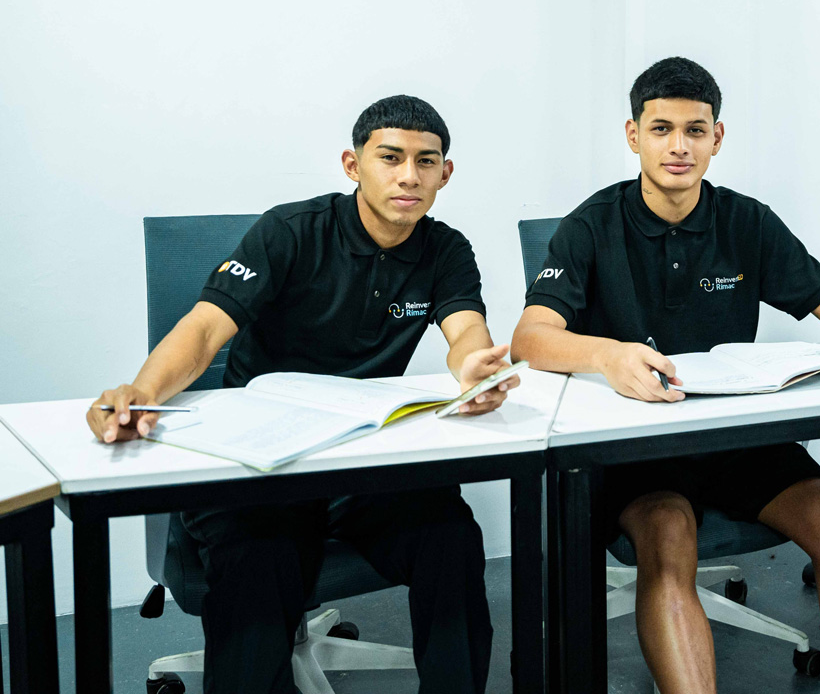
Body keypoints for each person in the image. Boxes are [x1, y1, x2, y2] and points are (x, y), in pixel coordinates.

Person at [511, 57, 820, 694]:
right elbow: (529, 339)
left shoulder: (746, 220)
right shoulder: (590, 225)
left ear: (716, 138)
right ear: (633, 135)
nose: (679, 146)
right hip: (638, 448)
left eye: (695, 130)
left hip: (735, 436)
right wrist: (608, 356)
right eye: (662, 129)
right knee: (669, 528)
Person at [88, 95, 516, 694]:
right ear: (352, 164)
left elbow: (465, 330)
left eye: (426, 162)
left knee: (449, 536)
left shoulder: (445, 248)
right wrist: (143, 390)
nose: (408, 176)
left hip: (362, 462)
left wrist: (473, 368)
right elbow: (205, 329)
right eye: (390, 157)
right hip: (264, 464)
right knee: (259, 558)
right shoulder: (289, 231)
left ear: (445, 173)